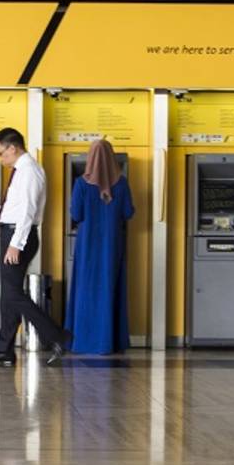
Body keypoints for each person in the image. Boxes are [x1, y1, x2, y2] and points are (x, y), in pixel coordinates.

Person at [0, 127, 70, 367]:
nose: (1, 159)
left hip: (19, 236)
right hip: (13, 232)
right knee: (9, 294)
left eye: (2, 153)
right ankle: (4, 350)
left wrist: (15, 244)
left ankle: (57, 336)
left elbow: (28, 211)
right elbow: (20, 207)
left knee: (12, 293)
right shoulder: (22, 170)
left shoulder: (29, 171)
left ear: (13, 148)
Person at [66, 139, 134, 355]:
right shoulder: (121, 183)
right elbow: (128, 212)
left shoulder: (81, 183)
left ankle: (84, 341)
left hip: (87, 245)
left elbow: (76, 214)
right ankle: (110, 341)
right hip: (112, 245)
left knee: (85, 290)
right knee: (110, 288)